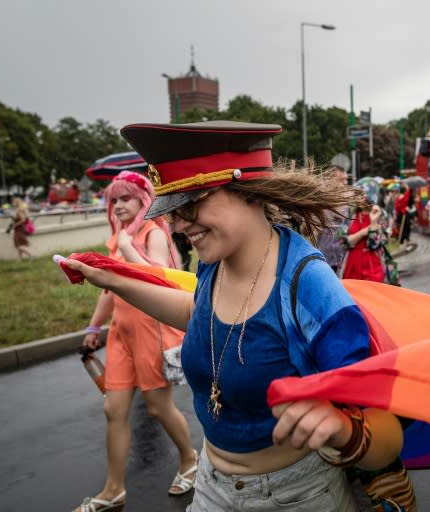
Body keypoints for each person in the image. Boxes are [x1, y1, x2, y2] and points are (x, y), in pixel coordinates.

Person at [65, 121, 406, 512]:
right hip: (210, 486)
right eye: (172, 210)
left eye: (190, 205)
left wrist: (344, 431)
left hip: (297, 497)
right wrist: (111, 278)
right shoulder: (216, 259)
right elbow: (199, 314)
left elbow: (386, 438)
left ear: (249, 192)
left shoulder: (309, 286)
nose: (176, 224)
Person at [74, 171, 197, 512]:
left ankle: (189, 460)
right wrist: (93, 328)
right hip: (120, 333)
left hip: (150, 331)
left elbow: (158, 279)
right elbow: (109, 289)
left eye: (126, 198)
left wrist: (130, 248)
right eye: (114, 199)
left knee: (158, 406)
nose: (118, 205)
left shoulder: (151, 233)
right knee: (113, 410)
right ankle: (113, 489)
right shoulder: (117, 239)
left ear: (143, 200)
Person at [316, 165, 349, 274]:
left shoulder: (348, 203)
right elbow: (305, 231)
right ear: (329, 181)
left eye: (346, 179)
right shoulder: (318, 203)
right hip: (325, 258)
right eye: (341, 180)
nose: (345, 183)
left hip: (344, 258)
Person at [9, 196, 33, 261]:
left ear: (16, 202)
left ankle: (30, 255)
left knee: (18, 245)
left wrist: (15, 225)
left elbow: (23, 219)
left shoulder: (19, 210)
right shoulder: (18, 209)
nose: (12, 203)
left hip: (20, 229)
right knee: (19, 243)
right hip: (18, 229)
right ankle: (20, 258)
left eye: (14, 202)